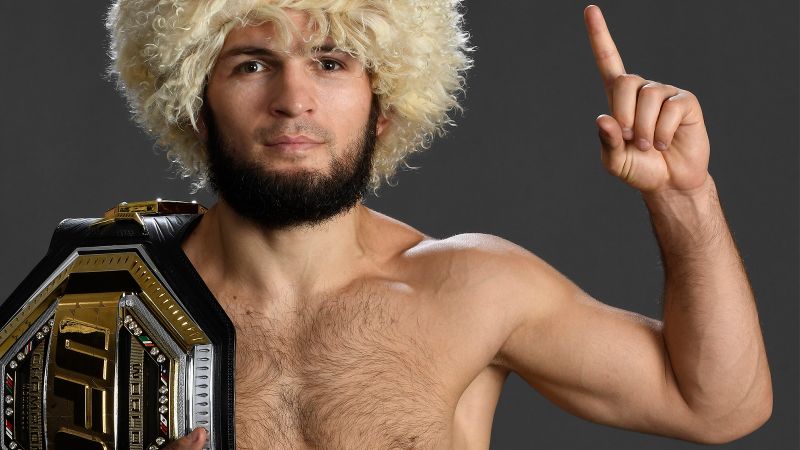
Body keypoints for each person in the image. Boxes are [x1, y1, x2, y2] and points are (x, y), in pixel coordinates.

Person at [105, 1, 773, 448]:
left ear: (385, 106)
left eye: (331, 63)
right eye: (252, 64)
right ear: (195, 104)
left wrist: (684, 196)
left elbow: (718, 406)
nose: (294, 100)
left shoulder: (470, 290)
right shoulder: (115, 306)